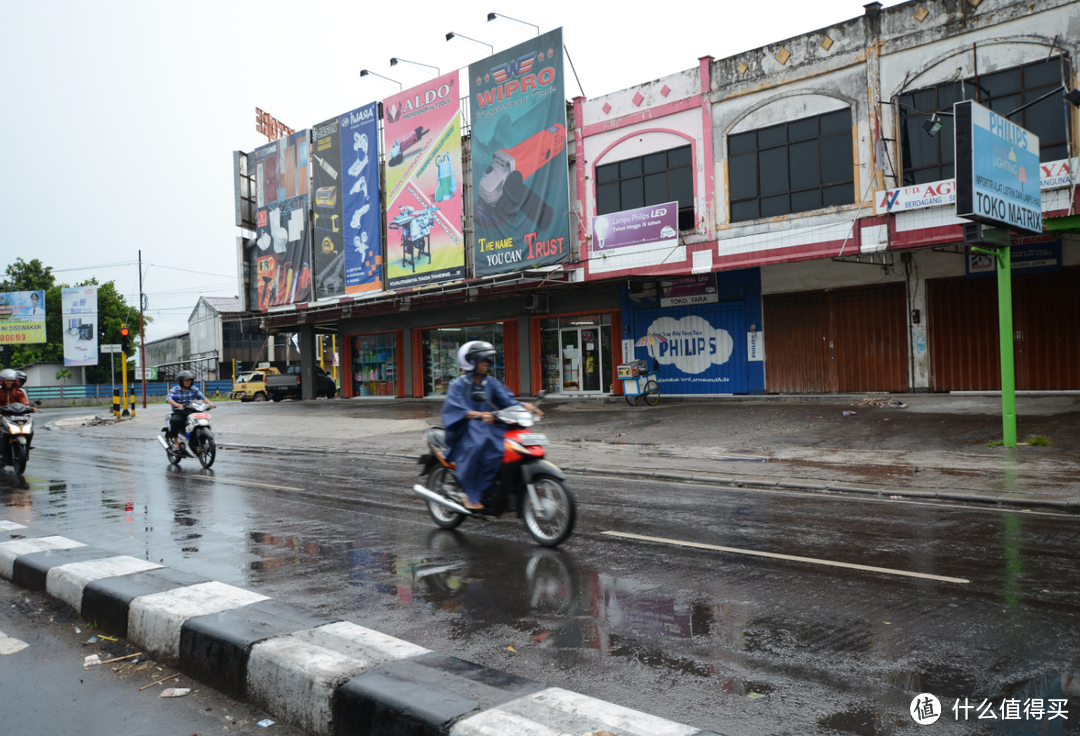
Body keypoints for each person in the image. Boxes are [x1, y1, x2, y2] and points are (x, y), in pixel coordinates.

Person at [441, 341, 542, 511]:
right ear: (471, 362)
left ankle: (492, 489)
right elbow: (455, 408)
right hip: (465, 429)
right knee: (475, 448)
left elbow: (507, 400)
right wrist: (479, 414)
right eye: (482, 360)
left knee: (502, 449)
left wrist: (526, 406)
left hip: (488, 426)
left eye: (487, 360)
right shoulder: (459, 384)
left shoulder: (491, 382)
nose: (486, 363)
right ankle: (469, 493)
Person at [166, 370, 215, 451]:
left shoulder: (193, 389)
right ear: (181, 381)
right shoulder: (175, 389)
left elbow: (202, 397)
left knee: (202, 421)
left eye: (189, 380)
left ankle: (200, 440)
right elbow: (169, 399)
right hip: (180, 412)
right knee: (174, 420)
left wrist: (210, 404)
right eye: (186, 380)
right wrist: (177, 405)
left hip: (192, 411)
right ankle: (176, 443)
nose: (188, 382)